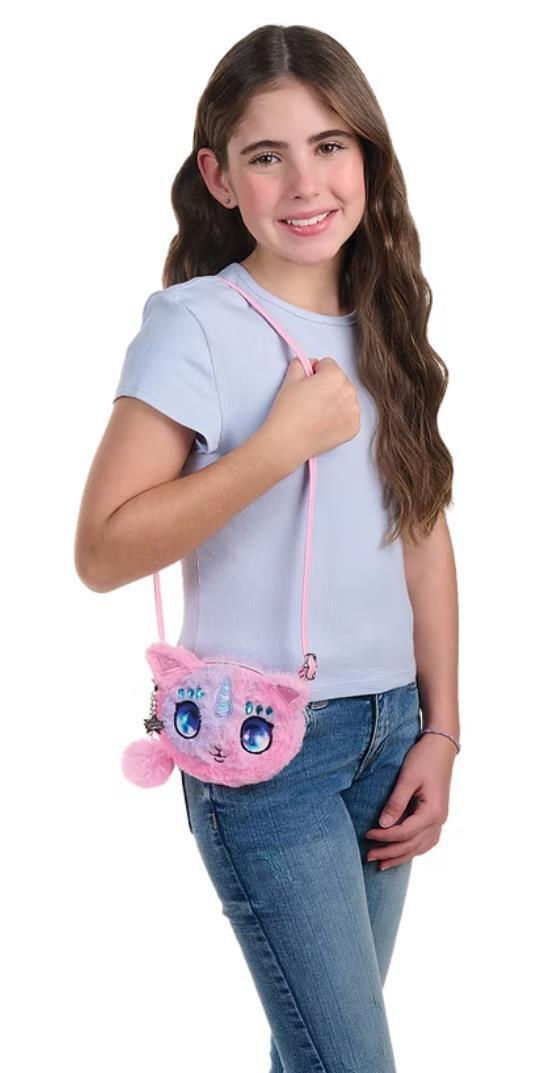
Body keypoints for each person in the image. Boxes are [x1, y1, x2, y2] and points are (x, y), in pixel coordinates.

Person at [74, 23, 460, 1073]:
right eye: (265, 155)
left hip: (390, 734)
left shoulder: (386, 320)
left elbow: (422, 533)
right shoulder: (195, 324)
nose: (304, 183)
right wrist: (277, 447)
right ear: (218, 177)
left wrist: (440, 729)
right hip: (264, 752)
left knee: (318, 1052)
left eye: (329, 145)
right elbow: (102, 550)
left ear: (366, 157)